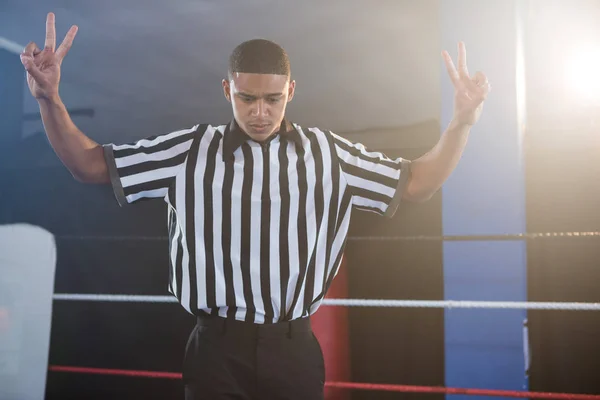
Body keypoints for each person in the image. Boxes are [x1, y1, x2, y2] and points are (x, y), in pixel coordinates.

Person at [20, 12, 490, 400]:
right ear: (228, 91)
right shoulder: (189, 152)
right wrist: (48, 99)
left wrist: (463, 123)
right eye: (247, 98)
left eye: (271, 99)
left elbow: (417, 185)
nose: (259, 112)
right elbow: (90, 165)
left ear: (290, 92)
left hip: (294, 347)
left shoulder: (329, 154)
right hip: (215, 349)